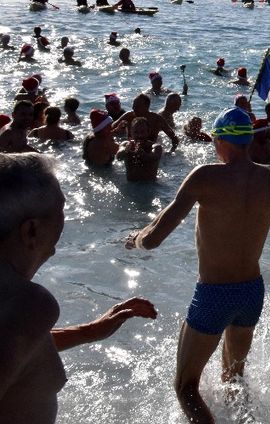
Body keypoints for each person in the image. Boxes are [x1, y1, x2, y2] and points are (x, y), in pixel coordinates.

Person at [126, 107, 270, 423]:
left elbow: (152, 241)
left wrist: (134, 239)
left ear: (221, 141)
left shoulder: (205, 177)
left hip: (214, 295)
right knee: (233, 379)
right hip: (251, 293)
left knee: (185, 387)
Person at [0, 154, 156, 424]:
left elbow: (14, 345)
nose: (65, 220)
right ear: (32, 230)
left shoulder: (16, 308)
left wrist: (89, 331)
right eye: (61, 208)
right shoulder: (28, 303)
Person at [116, 117, 162, 182]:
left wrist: (144, 154)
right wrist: (126, 150)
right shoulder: (125, 144)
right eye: (136, 132)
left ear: (148, 132)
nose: (139, 135)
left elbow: (153, 157)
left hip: (149, 186)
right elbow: (118, 157)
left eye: (142, 132)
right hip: (130, 185)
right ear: (131, 132)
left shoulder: (156, 147)